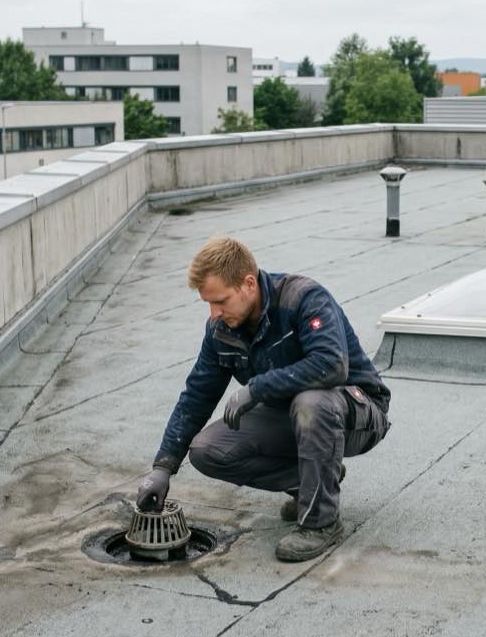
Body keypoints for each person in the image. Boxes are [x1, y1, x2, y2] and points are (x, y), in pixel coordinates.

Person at [135, 236, 391, 562]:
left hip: (356, 411)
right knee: (207, 450)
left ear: (248, 283)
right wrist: (164, 466)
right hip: (293, 414)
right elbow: (197, 395)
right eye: (208, 304)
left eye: (221, 301)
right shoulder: (220, 331)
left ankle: (320, 523)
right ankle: (311, 480)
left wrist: (256, 388)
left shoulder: (304, 299)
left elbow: (331, 365)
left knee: (311, 403)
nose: (214, 313)